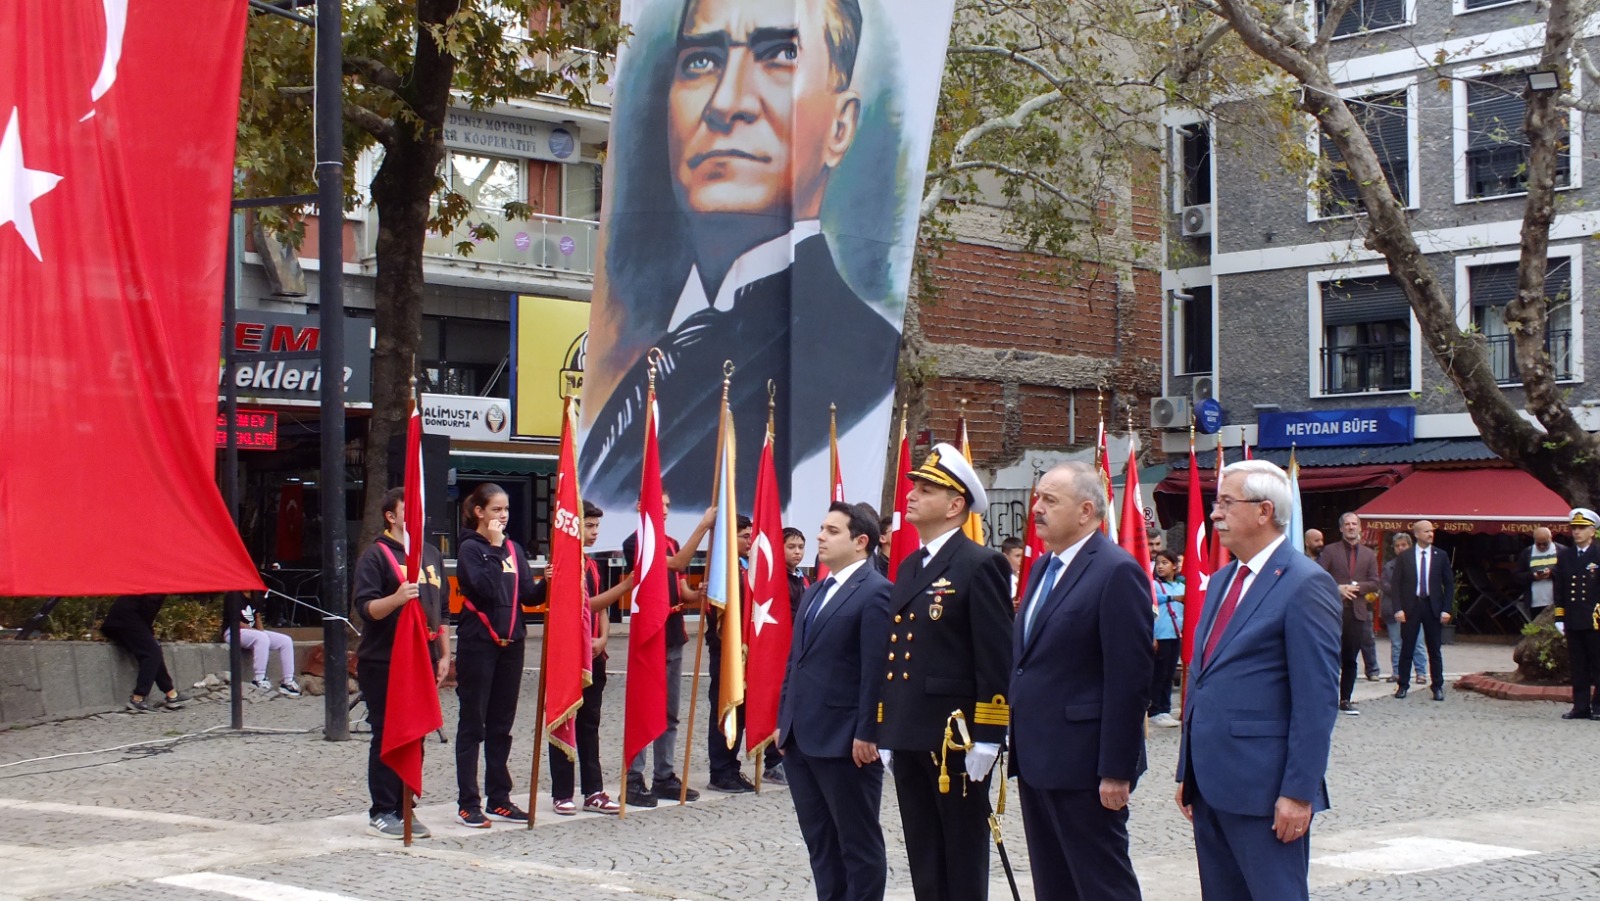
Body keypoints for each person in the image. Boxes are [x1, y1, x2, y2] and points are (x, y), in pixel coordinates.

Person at [579, 0, 899, 516]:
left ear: (841, 128)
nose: (726, 103)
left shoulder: (861, 361)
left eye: (780, 55)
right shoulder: (656, 357)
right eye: (701, 61)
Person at [1175, 459, 1341, 901]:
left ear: (1264, 511)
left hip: (1265, 792)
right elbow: (1203, 677)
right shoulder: (1224, 579)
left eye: (1226, 503)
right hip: (1211, 785)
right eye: (1215, 504)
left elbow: (1316, 700)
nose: (1215, 514)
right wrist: (1186, 770)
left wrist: (1298, 794)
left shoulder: (1306, 584)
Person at [877, 443, 1013, 901]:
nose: (912, 494)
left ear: (956, 505)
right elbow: (898, 653)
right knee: (923, 852)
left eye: (926, 488)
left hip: (955, 738)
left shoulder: (979, 564)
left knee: (961, 852)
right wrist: (888, 727)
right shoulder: (912, 564)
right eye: (914, 485)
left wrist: (990, 736)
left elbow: (994, 656)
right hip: (910, 731)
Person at [1011, 462, 1153, 901]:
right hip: (1037, 758)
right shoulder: (1041, 570)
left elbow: (1129, 680)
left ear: (1086, 510)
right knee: (1054, 885)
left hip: (1085, 765)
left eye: (1050, 500)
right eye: (1038, 498)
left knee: (1101, 885)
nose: (1037, 508)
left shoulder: (1115, 571)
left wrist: (1116, 770)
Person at [779, 501, 891, 901]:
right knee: (821, 844)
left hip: (846, 742)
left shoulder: (877, 593)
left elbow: (876, 672)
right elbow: (798, 660)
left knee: (857, 844)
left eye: (831, 530)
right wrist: (784, 718)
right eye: (821, 529)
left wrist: (869, 732)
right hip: (801, 738)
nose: (820, 537)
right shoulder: (818, 589)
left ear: (861, 542)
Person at [352, 487, 451, 839]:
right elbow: (366, 609)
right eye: (410, 510)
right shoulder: (376, 556)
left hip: (422, 658)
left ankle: (405, 804)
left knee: (417, 733)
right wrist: (395, 598)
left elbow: (441, 611)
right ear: (391, 516)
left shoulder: (430, 554)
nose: (418, 516)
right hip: (384, 659)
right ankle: (382, 810)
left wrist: (444, 654)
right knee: (386, 733)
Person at [453, 483, 539, 828]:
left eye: (505, 510)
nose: (503, 516)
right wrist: (494, 547)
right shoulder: (470, 549)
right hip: (479, 642)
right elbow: (484, 588)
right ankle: (468, 801)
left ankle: (499, 797)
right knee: (474, 723)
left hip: (512, 641)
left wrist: (547, 581)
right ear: (479, 512)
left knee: (502, 724)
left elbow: (529, 596)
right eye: (496, 510)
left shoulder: (514, 549)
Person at [622, 494, 711, 807]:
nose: (664, 509)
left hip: (673, 635)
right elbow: (676, 563)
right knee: (645, 708)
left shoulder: (672, 541)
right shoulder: (635, 543)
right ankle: (634, 778)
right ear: (640, 507)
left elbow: (682, 589)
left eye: (668, 505)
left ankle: (664, 775)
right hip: (650, 637)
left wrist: (697, 595)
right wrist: (702, 527)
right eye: (657, 503)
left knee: (669, 713)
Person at [545, 501, 629, 815]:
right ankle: (561, 791)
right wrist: (626, 586)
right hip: (568, 655)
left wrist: (603, 637)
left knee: (590, 724)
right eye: (589, 526)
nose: (594, 533)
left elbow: (600, 609)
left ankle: (593, 790)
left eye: (596, 527)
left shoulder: (592, 565)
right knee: (563, 719)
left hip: (594, 653)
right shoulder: (566, 564)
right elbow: (584, 605)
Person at [707, 514, 760, 792]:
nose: (749, 541)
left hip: (747, 650)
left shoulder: (748, 569)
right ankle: (720, 770)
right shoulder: (723, 570)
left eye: (751, 535)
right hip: (725, 650)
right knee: (725, 707)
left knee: (741, 710)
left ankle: (732, 766)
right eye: (744, 536)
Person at [1318, 512, 1381, 715]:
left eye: (1355, 524)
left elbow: (1375, 582)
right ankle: (1325, 698)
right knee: (1329, 657)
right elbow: (1318, 576)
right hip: (1332, 612)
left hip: (1356, 613)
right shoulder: (1330, 551)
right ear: (1341, 528)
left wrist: (1356, 586)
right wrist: (1337, 588)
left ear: (1360, 528)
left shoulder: (1368, 554)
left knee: (1350, 659)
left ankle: (1345, 699)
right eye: (1347, 524)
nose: (1351, 527)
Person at [1391, 520, 1453, 702]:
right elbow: (1396, 585)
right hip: (1411, 606)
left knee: (1434, 649)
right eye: (1426, 531)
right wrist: (1398, 609)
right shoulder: (1405, 556)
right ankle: (1403, 685)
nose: (1430, 534)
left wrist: (1446, 609)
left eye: (1432, 531)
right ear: (1416, 534)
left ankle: (1437, 687)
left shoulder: (1440, 555)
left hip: (1432, 606)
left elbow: (1449, 584)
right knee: (1407, 647)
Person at [101, 595, 191, 713]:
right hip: (126, 620)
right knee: (152, 653)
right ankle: (138, 698)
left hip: (123, 620)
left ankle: (172, 695)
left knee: (154, 651)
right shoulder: (158, 585)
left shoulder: (154, 582)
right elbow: (146, 609)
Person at [1554, 507, 1600, 720]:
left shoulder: (1598, 554)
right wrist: (1559, 617)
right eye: (1574, 528)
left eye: (1582, 528)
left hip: (1595, 619)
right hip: (1573, 618)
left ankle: (1598, 706)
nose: (1577, 532)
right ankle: (1580, 706)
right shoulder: (1565, 556)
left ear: (1593, 530)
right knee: (1578, 665)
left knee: (1597, 664)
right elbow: (1560, 588)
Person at [1379, 531, 1427, 686]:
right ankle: (1397, 672)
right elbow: (1385, 585)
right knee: (1397, 643)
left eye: (1403, 545)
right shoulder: (1389, 566)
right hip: (1393, 610)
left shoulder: (1419, 564)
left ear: (1410, 546)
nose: (1400, 548)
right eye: (1397, 546)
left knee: (1418, 643)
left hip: (1415, 609)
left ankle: (1421, 672)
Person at [227, 601, 302, 697]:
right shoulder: (233, 596)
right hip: (233, 631)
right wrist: (258, 633)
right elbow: (235, 621)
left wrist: (262, 632)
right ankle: (258, 679)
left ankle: (288, 682)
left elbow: (257, 618)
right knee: (261, 637)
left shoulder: (254, 597)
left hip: (253, 632)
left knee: (285, 641)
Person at [1149, 550, 1185, 728]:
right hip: (1160, 635)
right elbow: (1152, 600)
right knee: (1159, 673)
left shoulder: (1180, 586)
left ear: (1175, 566)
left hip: (1175, 634)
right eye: (1158, 563)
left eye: (1165, 563)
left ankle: (1165, 707)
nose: (1160, 566)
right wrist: (1172, 598)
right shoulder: (1154, 585)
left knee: (1169, 673)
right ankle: (1155, 709)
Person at [1514, 526, 1561, 618]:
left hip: (1558, 600)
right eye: (1538, 544)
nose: (1542, 546)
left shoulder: (1561, 551)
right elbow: (1517, 576)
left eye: (1545, 543)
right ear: (1534, 540)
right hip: (1535, 601)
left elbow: (1569, 573)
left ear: (1550, 538)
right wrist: (1532, 576)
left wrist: (1552, 574)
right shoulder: (1527, 552)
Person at [785, 526, 811, 618]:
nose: (797, 552)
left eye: (801, 547)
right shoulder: (776, 579)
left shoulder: (805, 578)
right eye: (791, 547)